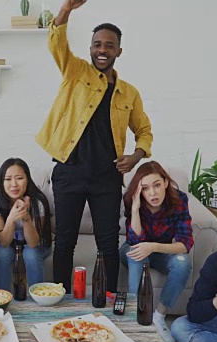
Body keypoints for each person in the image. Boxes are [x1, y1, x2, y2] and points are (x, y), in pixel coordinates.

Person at [36, 0, 153, 295]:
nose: (103, 50)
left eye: (109, 45)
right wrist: (65, 10)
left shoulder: (129, 93)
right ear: (90, 49)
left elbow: (144, 130)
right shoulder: (74, 72)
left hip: (106, 178)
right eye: (97, 44)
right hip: (69, 172)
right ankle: (61, 300)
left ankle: (108, 299)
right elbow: (57, 43)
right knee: (64, 241)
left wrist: (136, 156)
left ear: (118, 51)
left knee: (107, 244)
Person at [119, 161, 193, 342]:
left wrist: (152, 246)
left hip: (160, 251)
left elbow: (185, 243)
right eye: (145, 188)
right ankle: (138, 316)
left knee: (183, 262)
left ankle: (159, 317)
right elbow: (135, 241)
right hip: (132, 249)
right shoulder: (132, 200)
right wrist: (135, 209)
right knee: (138, 253)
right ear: (139, 190)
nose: (152, 193)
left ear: (166, 183)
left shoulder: (179, 200)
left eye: (157, 185)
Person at [0, 158, 53, 291]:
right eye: (7, 179)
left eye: (19, 178)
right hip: (9, 243)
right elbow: (5, 241)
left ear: (27, 179)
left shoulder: (37, 201)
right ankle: (2, 299)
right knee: (1, 252)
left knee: (31, 254)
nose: (14, 184)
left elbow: (33, 243)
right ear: (2, 182)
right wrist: (11, 218)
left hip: (36, 243)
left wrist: (26, 218)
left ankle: (38, 301)